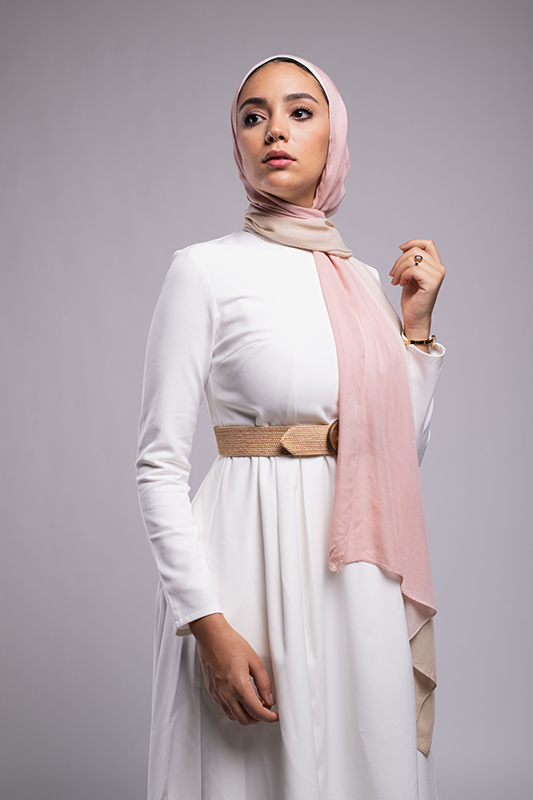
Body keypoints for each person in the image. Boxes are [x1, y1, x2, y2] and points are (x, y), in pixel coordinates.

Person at [136, 54, 446, 800]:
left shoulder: (362, 280)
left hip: (356, 577)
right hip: (244, 564)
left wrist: (414, 330)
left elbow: (394, 456)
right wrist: (207, 623)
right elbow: (157, 466)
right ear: (237, 144)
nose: (274, 130)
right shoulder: (202, 271)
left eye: (300, 112)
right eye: (253, 117)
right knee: (246, 772)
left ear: (333, 137)